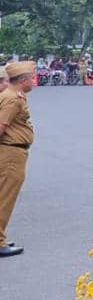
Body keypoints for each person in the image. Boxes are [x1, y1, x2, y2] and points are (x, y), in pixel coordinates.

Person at [0, 61, 37, 257]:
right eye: (31, 78)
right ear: (23, 80)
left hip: (11, 151)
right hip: (11, 154)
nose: (33, 81)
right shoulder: (12, 99)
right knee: (4, 198)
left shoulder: (12, 95)